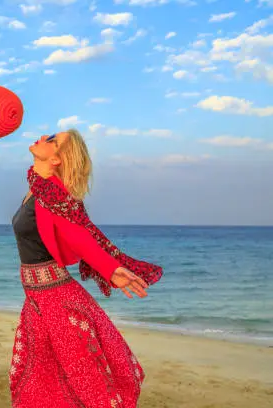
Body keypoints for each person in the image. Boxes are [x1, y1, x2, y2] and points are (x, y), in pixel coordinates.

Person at [10, 129, 163, 408]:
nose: (44, 137)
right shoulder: (38, 187)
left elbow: (78, 235)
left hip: (57, 303)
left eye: (53, 140)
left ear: (56, 159)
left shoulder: (53, 194)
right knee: (40, 380)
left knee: (88, 385)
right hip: (38, 300)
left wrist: (110, 268)